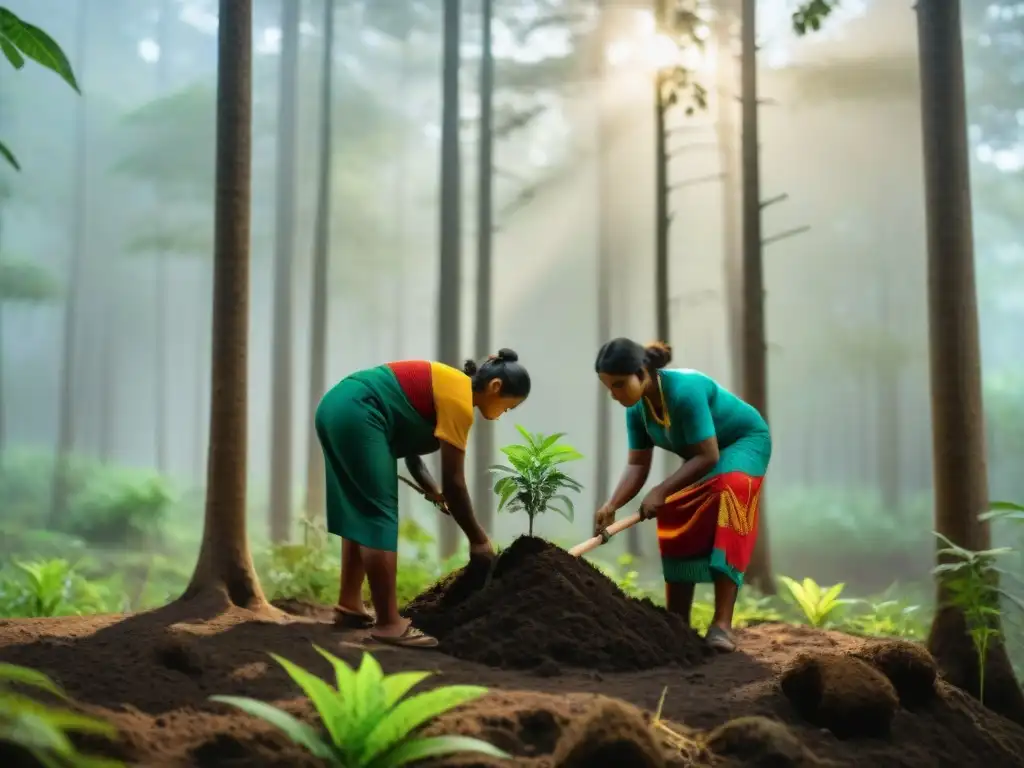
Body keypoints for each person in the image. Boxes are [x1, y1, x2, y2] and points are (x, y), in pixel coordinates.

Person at [314, 349, 530, 648]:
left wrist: (430, 488)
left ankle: (350, 606)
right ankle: (390, 624)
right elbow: (455, 483)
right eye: (510, 406)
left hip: (338, 407)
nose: (505, 412)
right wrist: (479, 540)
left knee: (361, 511)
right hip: (360, 411)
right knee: (378, 515)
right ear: (495, 388)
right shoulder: (460, 402)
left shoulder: (449, 384)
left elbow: (411, 447)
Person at [593, 338, 771, 653]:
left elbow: (708, 456)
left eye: (619, 385)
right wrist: (612, 505)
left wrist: (661, 489)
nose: (614, 394)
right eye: (609, 387)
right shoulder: (636, 409)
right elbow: (637, 464)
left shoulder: (684, 392)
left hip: (742, 443)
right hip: (707, 455)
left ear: (642, 371)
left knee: (731, 492)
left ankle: (722, 624)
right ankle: (677, 622)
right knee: (675, 508)